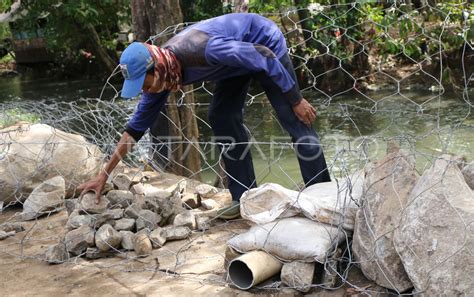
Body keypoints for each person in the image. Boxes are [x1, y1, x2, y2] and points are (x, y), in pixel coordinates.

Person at [78, 13, 331, 219]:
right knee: (221, 115)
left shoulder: (201, 50)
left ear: (155, 67)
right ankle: (245, 197)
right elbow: (135, 129)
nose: (145, 92)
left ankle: (323, 196)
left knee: (292, 115)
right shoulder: (162, 78)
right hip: (237, 63)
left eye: (144, 85)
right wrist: (104, 174)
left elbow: (262, 55)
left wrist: (296, 99)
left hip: (263, 43)